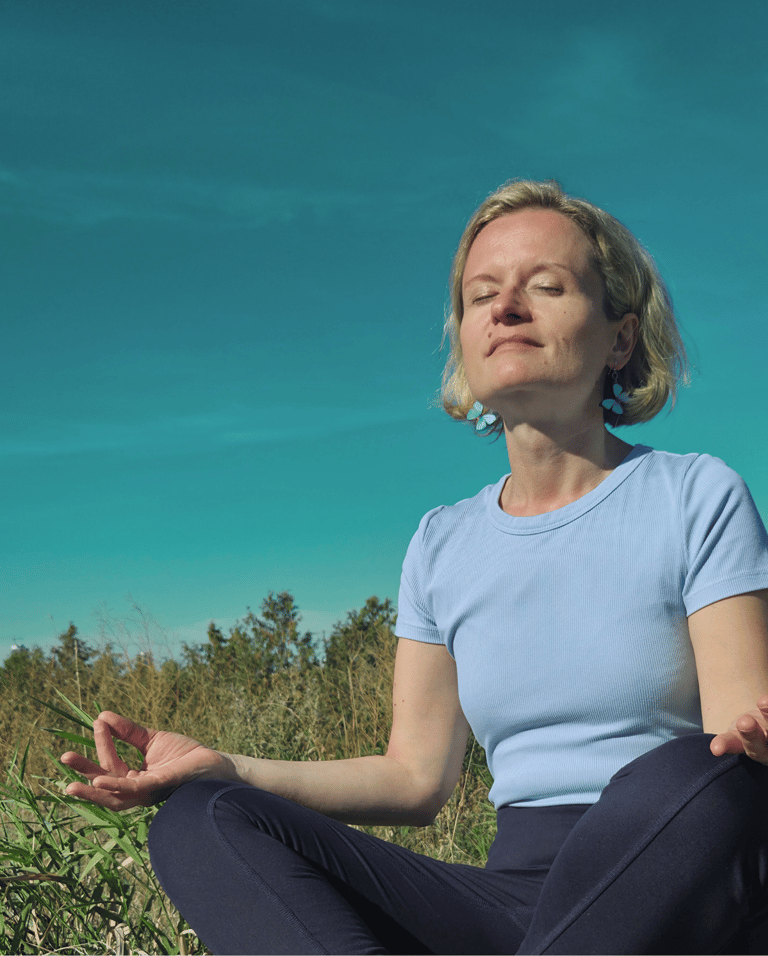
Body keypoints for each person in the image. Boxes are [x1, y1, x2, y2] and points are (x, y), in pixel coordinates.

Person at [61, 179, 768, 955]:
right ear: (464, 337)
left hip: (661, 879)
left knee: (701, 775)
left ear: (621, 339)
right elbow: (414, 778)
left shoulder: (694, 495)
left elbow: (734, 745)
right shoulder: (443, 541)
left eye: (547, 286)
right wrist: (226, 765)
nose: (505, 309)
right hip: (507, 900)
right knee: (206, 816)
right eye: (481, 295)